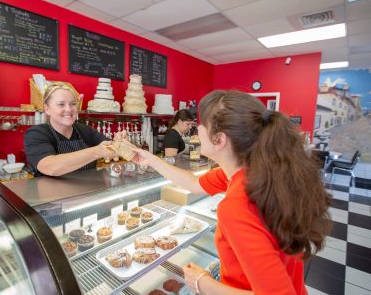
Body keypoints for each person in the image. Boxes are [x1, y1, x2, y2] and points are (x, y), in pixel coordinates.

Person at [132, 90, 332, 294]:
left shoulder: (236, 207)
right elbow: (194, 183)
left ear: (219, 139)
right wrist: (151, 160)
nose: (197, 127)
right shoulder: (256, 172)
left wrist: (203, 283)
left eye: (202, 123)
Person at [24, 82, 115, 176]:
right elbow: (50, 167)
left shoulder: (85, 130)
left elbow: (111, 147)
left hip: (90, 190)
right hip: (54, 190)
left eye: (72, 104)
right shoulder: (37, 133)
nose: (68, 109)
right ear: (47, 109)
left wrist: (120, 142)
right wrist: (96, 152)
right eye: (61, 104)